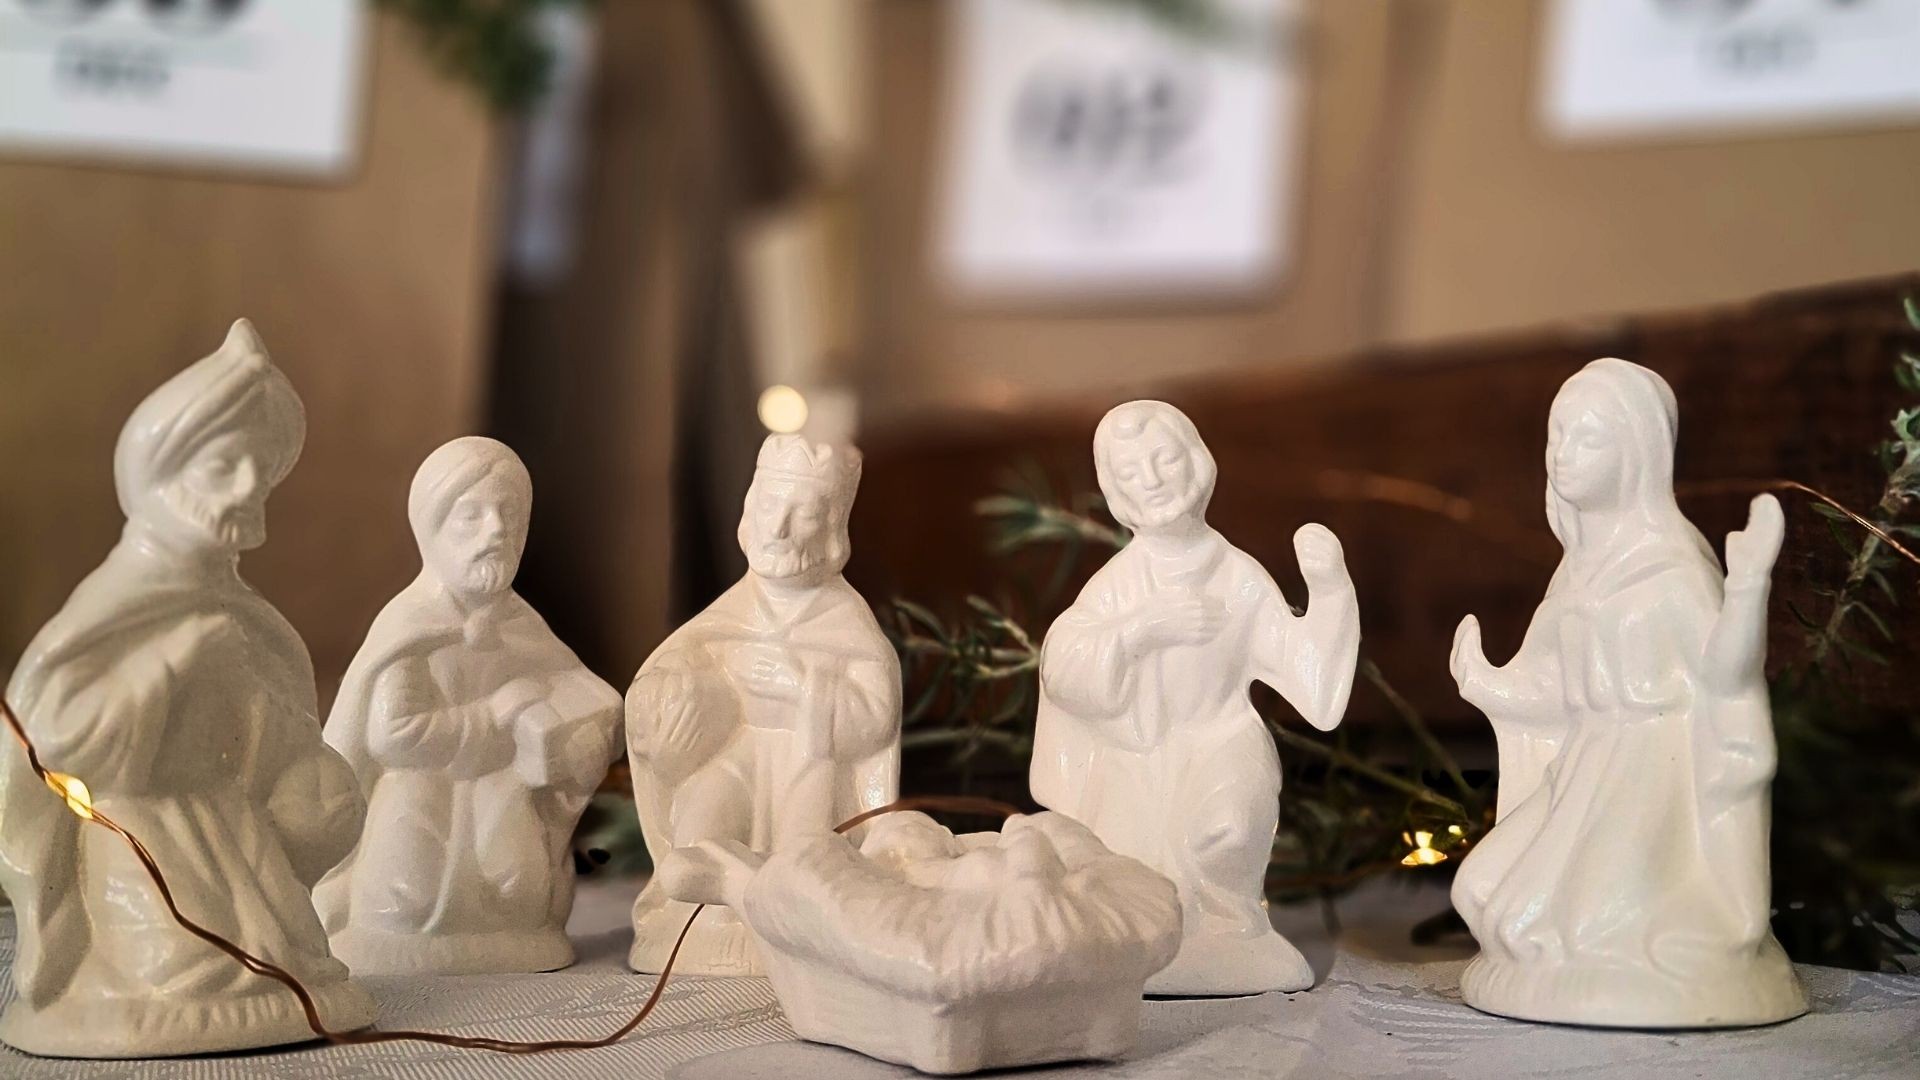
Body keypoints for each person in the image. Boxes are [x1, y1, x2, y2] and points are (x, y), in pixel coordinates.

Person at [0, 320, 374, 1057]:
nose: (246, 490)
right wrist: (169, 669)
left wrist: (308, 772)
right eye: (225, 468)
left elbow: (270, 727)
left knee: (293, 957)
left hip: (230, 826)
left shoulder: (240, 613)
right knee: (186, 969)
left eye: (260, 474)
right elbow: (52, 744)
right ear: (162, 474)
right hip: (131, 829)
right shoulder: (117, 606)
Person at [1448, 358, 1807, 1027]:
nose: (1562, 455)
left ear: (1638, 451)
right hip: (1583, 773)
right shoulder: (1577, 569)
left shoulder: (1672, 562)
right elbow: (1554, 690)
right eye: (1557, 435)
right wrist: (1486, 682)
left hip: (1652, 779)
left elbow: (1724, 676)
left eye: (1587, 438)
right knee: (1480, 891)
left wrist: (1750, 583)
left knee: (1595, 923)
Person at [1032, 400, 1361, 995]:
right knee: (1134, 878)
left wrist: (1330, 588)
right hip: (1136, 758)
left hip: (1220, 738)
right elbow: (1064, 665)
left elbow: (1311, 685)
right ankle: (1156, 940)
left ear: (1197, 461)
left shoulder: (1237, 575)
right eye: (1131, 474)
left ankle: (1232, 932)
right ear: (1116, 494)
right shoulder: (1119, 584)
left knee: (1229, 830)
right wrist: (1141, 630)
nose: (1153, 481)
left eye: (1164, 460)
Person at [316, 437, 621, 975]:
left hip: (499, 787)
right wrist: (497, 714)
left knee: (518, 891)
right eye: (471, 516)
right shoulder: (409, 627)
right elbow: (393, 736)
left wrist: (581, 740)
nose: (496, 531)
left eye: (509, 515)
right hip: (419, 786)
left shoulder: (523, 625)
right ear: (432, 529)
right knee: (401, 901)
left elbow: (590, 697)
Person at [626, 434, 900, 976]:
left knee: (803, 864)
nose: (777, 529)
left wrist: (803, 689)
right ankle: (701, 931)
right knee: (700, 831)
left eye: (800, 515)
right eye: (771, 506)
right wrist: (668, 704)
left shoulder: (845, 623)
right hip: (730, 765)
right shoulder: (725, 617)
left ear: (831, 530)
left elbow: (875, 720)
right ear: (750, 510)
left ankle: (787, 933)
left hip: (809, 773)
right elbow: (656, 686)